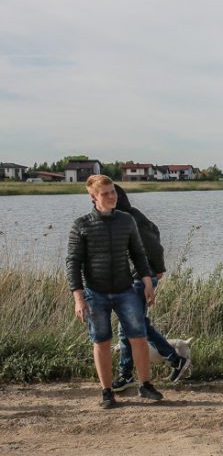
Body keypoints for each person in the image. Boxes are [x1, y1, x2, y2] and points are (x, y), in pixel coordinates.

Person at [67, 174, 164, 409]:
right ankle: (107, 391)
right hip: (95, 292)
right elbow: (73, 262)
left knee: (138, 338)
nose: (112, 197)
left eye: (114, 192)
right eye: (106, 193)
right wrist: (78, 298)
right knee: (101, 341)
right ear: (93, 197)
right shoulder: (82, 225)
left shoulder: (127, 220)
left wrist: (148, 281)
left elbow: (138, 254)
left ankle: (145, 385)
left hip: (125, 289)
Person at [111, 185, 191, 392]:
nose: (95, 202)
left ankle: (173, 360)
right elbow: (154, 232)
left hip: (139, 278)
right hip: (132, 278)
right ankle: (128, 373)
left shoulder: (131, 218)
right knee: (132, 327)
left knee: (134, 327)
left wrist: (157, 269)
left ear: (115, 197)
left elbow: (154, 244)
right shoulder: (128, 216)